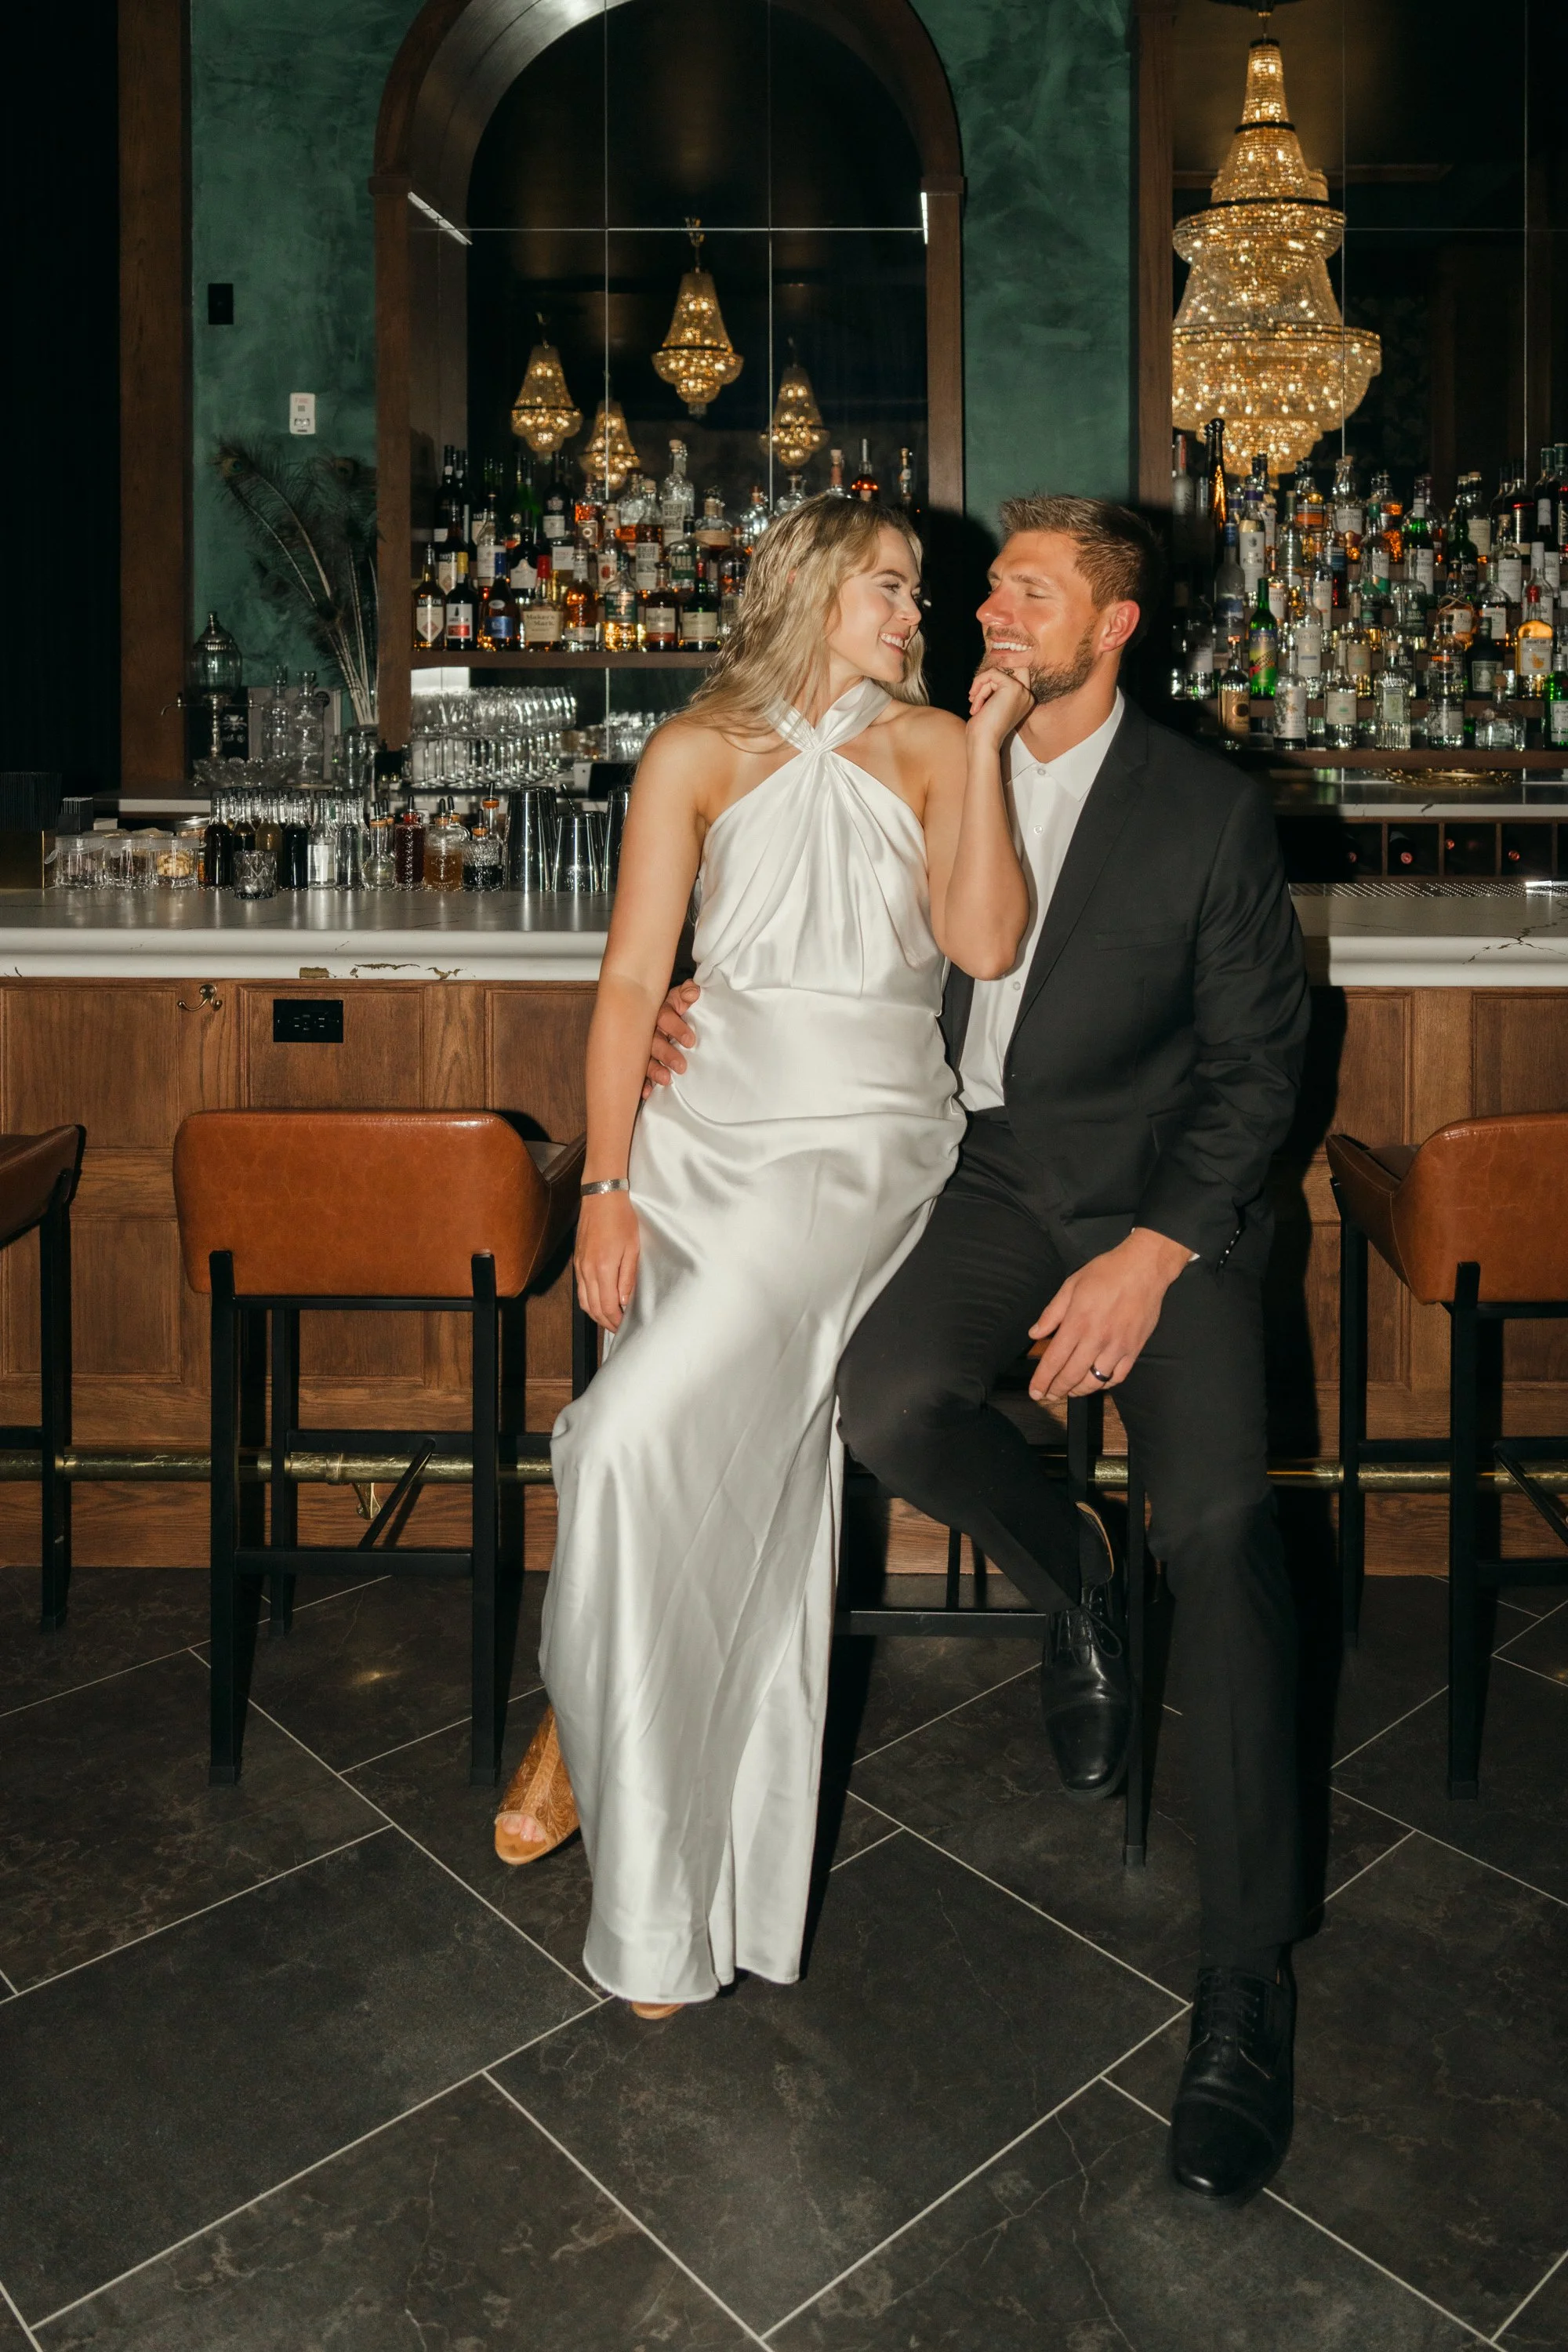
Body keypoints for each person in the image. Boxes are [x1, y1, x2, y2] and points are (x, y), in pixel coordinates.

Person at [647, 496, 1311, 2204]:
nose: (989, 614)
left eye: (1028, 595)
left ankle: (1245, 1981)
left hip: (1165, 1201)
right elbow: (807, 941)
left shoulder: (1207, 811)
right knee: (884, 1404)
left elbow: (1261, 1074)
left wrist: (1152, 1257)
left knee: (1221, 1527)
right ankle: (1075, 1574)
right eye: (985, 592)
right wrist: (684, 1011)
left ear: (1116, 628)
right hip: (986, 1172)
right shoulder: (923, 757)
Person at [493, 494, 1033, 2019]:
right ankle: (609, 1760)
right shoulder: (693, 751)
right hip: (693, 1147)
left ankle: (589, 1724)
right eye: (892, 587)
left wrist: (989, 748)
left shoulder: (935, 745)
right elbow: (630, 982)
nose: (917, 613)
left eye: (917, 592)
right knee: (708, 1482)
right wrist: (607, 1185)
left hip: (856, 1151)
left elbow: (985, 947)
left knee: (618, 1443)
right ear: (810, 588)